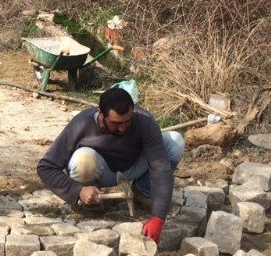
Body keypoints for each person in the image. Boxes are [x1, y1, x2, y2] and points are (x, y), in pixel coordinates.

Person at [37, 86, 185, 243]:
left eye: (127, 122)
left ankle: (143, 191)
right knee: (83, 159)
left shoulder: (144, 121)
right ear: (100, 113)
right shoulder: (81, 124)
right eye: (116, 123)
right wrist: (78, 190)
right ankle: (91, 202)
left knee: (175, 142)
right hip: (101, 173)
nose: (122, 128)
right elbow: (46, 167)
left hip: (132, 166)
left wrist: (158, 217)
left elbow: (160, 168)